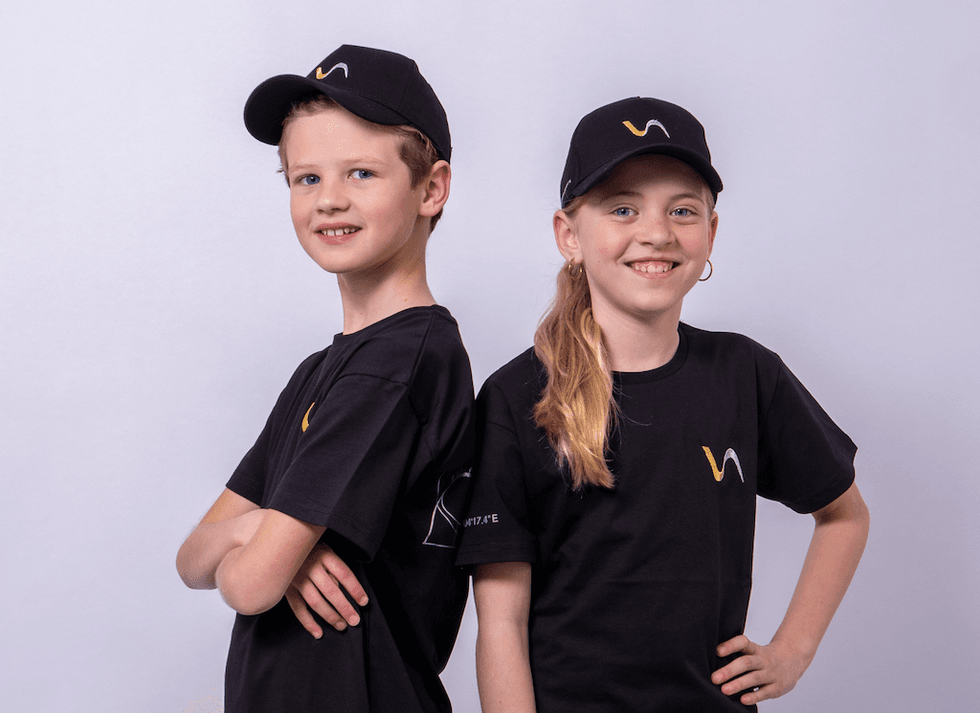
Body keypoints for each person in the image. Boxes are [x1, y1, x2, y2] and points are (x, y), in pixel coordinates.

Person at [455, 97, 870, 712]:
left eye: (682, 210)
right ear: (569, 234)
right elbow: (501, 625)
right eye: (623, 208)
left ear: (711, 231)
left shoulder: (745, 374)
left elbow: (845, 517)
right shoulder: (518, 399)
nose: (656, 232)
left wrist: (792, 651)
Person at [176, 45, 474, 713]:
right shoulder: (323, 368)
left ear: (431, 189)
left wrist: (267, 545)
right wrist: (268, 536)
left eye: (361, 172)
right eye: (304, 178)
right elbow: (192, 556)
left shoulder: (400, 361)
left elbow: (250, 586)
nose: (329, 199)